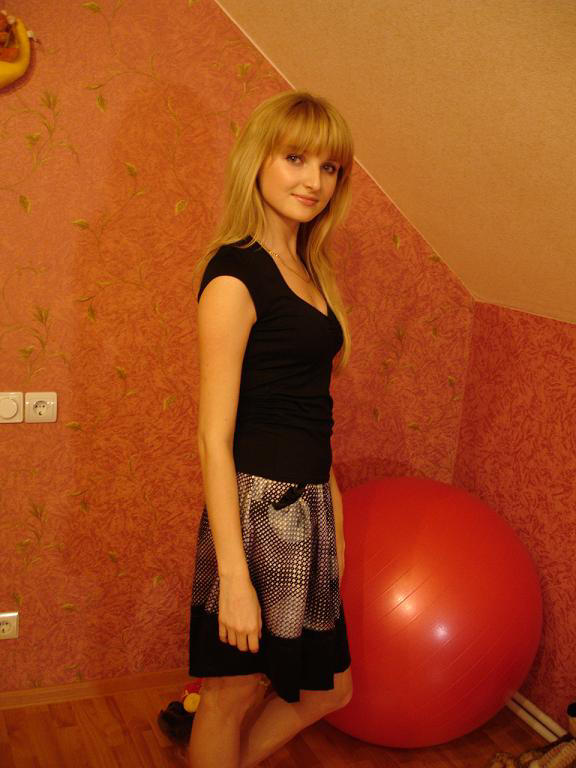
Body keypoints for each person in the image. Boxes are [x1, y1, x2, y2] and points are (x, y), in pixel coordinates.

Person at [188, 90, 354, 768]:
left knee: (329, 689)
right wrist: (234, 575)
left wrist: (333, 513)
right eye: (295, 158)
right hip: (259, 510)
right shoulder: (236, 273)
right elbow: (212, 438)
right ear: (257, 161)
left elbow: (310, 409)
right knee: (229, 693)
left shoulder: (311, 268)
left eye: (329, 167)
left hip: (309, 506)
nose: (313, 181)